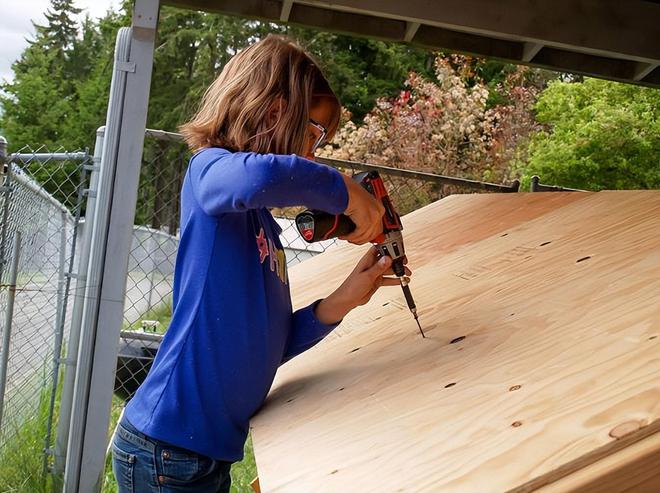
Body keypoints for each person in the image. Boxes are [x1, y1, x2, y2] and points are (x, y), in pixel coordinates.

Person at [111, 35, 410, 492]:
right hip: (164, 449)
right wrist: (348, 191)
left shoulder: (263, 229)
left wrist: (346, 298)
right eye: (313, 132)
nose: (314, 150)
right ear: (274, 111)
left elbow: (270, 344)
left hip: (205, 455)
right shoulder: (208, 171)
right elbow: (266, 174)